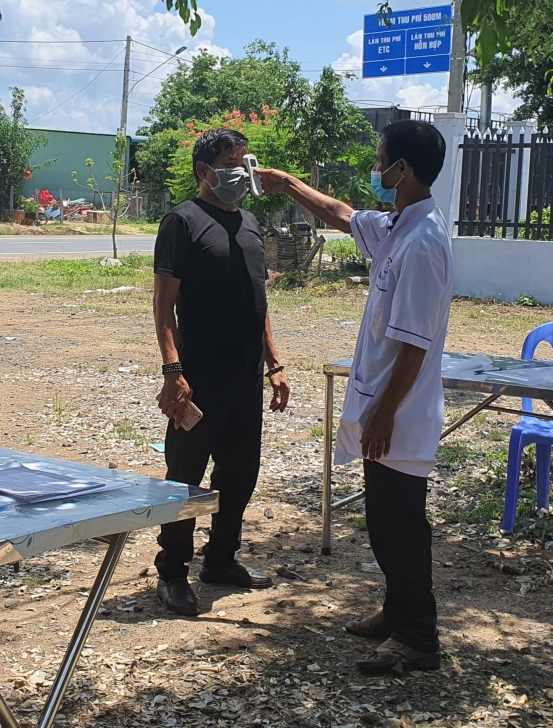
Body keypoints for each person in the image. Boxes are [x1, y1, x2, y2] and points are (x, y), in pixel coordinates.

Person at [257, 120, 452, 672]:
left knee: (400, 527)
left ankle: (418, 639)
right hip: (385, 407)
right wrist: (290, 183)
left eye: (381, 158)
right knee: (384, 519)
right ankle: (396, 611)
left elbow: (413, 346)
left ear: (402, 171)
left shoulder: (423, 243)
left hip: (401, 413)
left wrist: (385, 413)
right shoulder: (399, 226)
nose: (376, 165)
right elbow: (343, 216)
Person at [151, 127, 291, 616]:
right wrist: (173, 370)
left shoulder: (250, 223)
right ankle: (172, 570)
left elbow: (260, 300)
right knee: (185, 477)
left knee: (240, 473)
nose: (242, 169)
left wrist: (274, 363)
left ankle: (221, 558)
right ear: (203, 171)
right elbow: (163, 305)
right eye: (232, 160)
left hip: (245, 376)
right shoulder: (182, 223)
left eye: (245, 159)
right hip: (198, 378)